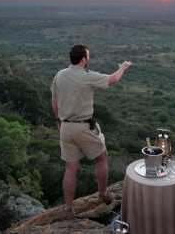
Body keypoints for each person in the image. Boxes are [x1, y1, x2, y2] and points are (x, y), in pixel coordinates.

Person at [51, 44, 132, 218]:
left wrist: (58, 121)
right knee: (102, 157)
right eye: (88, 56)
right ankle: (103, 195)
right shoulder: (87, 76)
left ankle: (68, 209)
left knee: (71, 168)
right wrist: (123, 68)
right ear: (83, 60)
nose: (89, 59)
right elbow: (113, 80)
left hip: (65, 127)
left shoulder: (59, 75)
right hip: (83, 126)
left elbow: (54, 100)